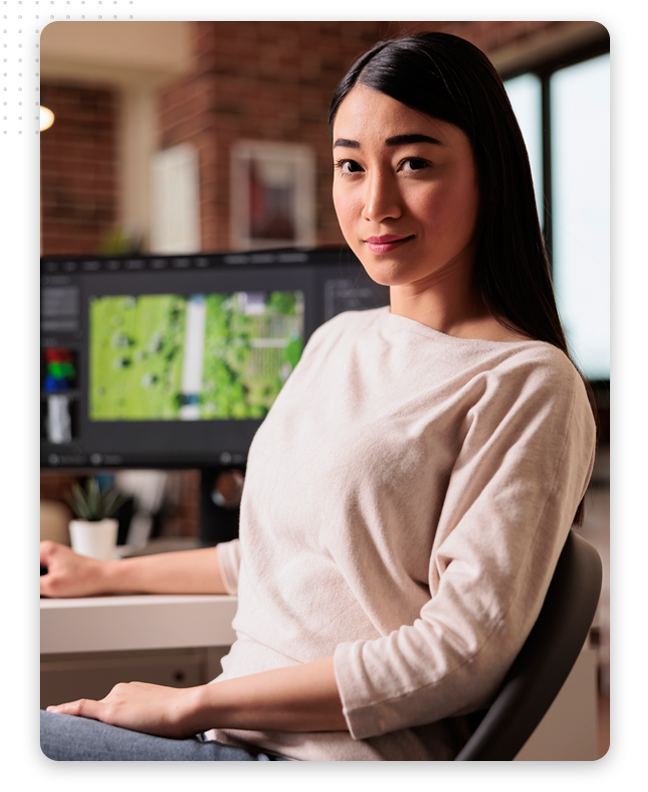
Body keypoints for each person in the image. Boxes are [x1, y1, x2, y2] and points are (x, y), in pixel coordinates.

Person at [40, 32, 598, 761]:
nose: (376, 202)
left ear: (489, 172)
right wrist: (105, 576)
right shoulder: (339, 340)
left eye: (414, 163)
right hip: (227, 738)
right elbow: (285, 555)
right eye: (350, 166)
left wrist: (189, 704)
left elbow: (459, 653)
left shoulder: (526, 384)